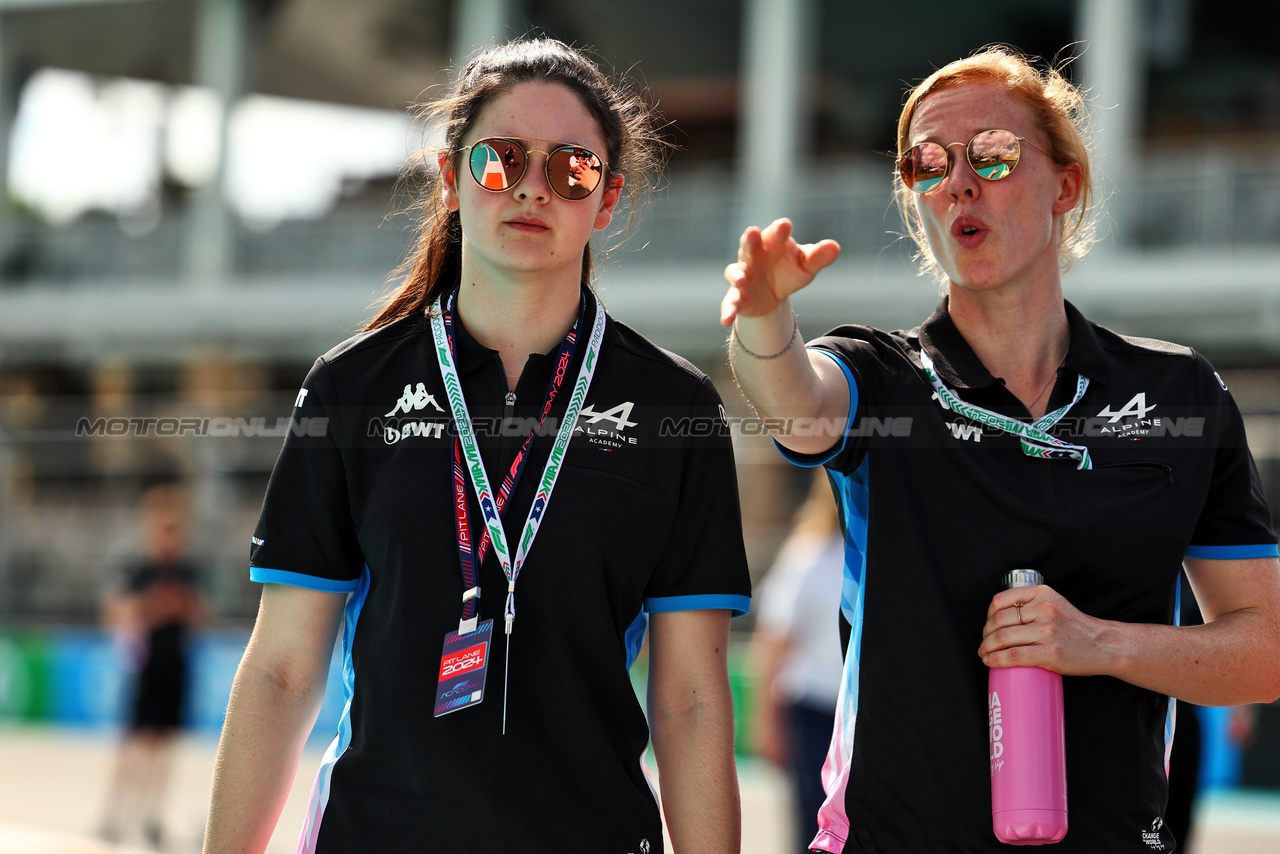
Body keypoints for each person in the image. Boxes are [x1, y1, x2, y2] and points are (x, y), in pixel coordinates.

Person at [720, 45, 1280, 853]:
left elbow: (1261, 651)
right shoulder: (882, 380)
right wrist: (764, 321)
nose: (958, 182)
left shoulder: (1179, 394)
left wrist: (1098, 644)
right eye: (929, 164)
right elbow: (796, 402)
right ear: (917, 204)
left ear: (1067, 185)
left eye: (994, 155)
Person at [204, 38, 751, 854]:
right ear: (451, 177)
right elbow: (283, 669)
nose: (533, 186)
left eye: (572, 169)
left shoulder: (677, 408)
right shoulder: (352, 387)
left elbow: (693, 702)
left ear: (607, 202)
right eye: (502, 160)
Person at [100, 483, 204, 849]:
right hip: (147, 665)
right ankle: (116, 812)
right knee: (135, 743)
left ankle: (150, 816)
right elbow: (118, 613)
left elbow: (199, 615)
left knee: (164, 746)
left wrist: (177, 607)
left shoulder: (187, 571)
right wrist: (157, 608)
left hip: (176, 665)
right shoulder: (140, 570)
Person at [751, 472, 844, 853]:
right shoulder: (808, 554)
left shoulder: (886, 554)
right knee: (812, 821)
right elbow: (773, 642)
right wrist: (767, 722)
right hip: (811, 711)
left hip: (858, 712)